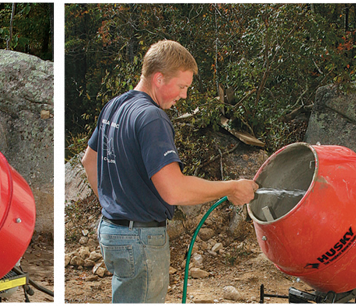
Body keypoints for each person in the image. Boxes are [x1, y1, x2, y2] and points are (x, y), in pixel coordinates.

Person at [81, 40, 259, 303]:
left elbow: (89, 161)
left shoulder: (115, 106)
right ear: (159, 78)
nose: (184, 95)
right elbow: (174, 190)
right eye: (182, 86)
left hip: (112, 232)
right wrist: (231, 187)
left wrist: (114, 207)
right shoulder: (151, 117)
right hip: (140, 239)